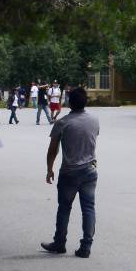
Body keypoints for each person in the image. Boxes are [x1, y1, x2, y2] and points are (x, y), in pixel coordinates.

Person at [41, 87, 99, 258]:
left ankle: (59, 243)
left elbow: (53, 150)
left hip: (70, 171)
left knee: (64, 208)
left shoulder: (62, 123)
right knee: (88, 208)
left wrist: (49, 169)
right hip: (90, 170)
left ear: (69, 102)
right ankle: (86, 246)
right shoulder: (94, 121)